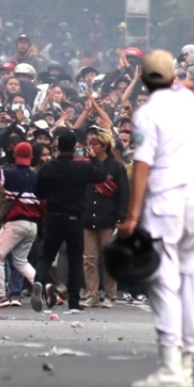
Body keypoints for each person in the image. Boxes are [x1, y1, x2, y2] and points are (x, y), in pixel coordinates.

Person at [119, 50, 194, 387]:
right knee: (187, 280)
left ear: (141, 80)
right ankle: (186, 363)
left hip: (164, 202)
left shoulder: (145, 115)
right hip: (191, 202)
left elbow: (142, 165)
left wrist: (132, 215)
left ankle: (170, 366)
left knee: (162, 282)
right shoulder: (186, 100)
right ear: (172, 79)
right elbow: (187, 83)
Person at [34, 129, 106, 312]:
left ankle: (38, 282)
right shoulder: (82, 167)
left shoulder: (49, 166)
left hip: (54, 216)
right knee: (75, 260)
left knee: (46, 256)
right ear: (75, 147)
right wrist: (95, 159)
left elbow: (38, 192)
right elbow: (102, 176)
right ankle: (74, 302)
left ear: (57, 146)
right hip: (75, 218)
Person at [0, 141, 44, 308]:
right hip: (32, 225)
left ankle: (1, 296)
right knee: (21, 261)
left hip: (15, 223)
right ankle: (46, 288)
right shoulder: (37, 177)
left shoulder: (10, 175)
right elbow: (44, 204)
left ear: (15, 156)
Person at [81, 128, 128, 308]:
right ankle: (91, 293)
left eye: (95, 144)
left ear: (105, 145)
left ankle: (110, 294)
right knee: (89, 259)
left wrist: (121, 217)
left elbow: (123, 194)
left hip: (108, 218)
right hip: (88, 217)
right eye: (89, 143)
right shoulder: (86, 165)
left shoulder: (116, 167)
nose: (90, 147)